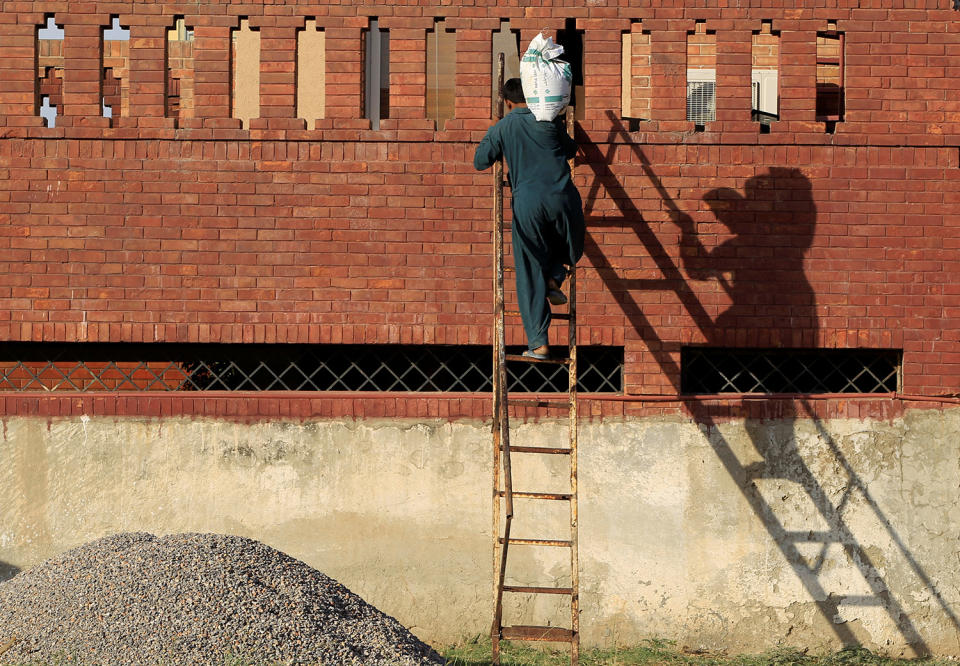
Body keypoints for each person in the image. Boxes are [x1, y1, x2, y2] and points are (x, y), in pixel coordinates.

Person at [473, 78, 585, 360]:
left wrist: (497, 133)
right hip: (563, 198)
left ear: (508, 102)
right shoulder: (549, 121)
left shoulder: (504, 126)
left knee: (528, 269)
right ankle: (555, 276)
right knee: (569, 246)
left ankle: (539, 343)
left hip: (528, 204)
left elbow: (480, 160)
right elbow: (572, 151)